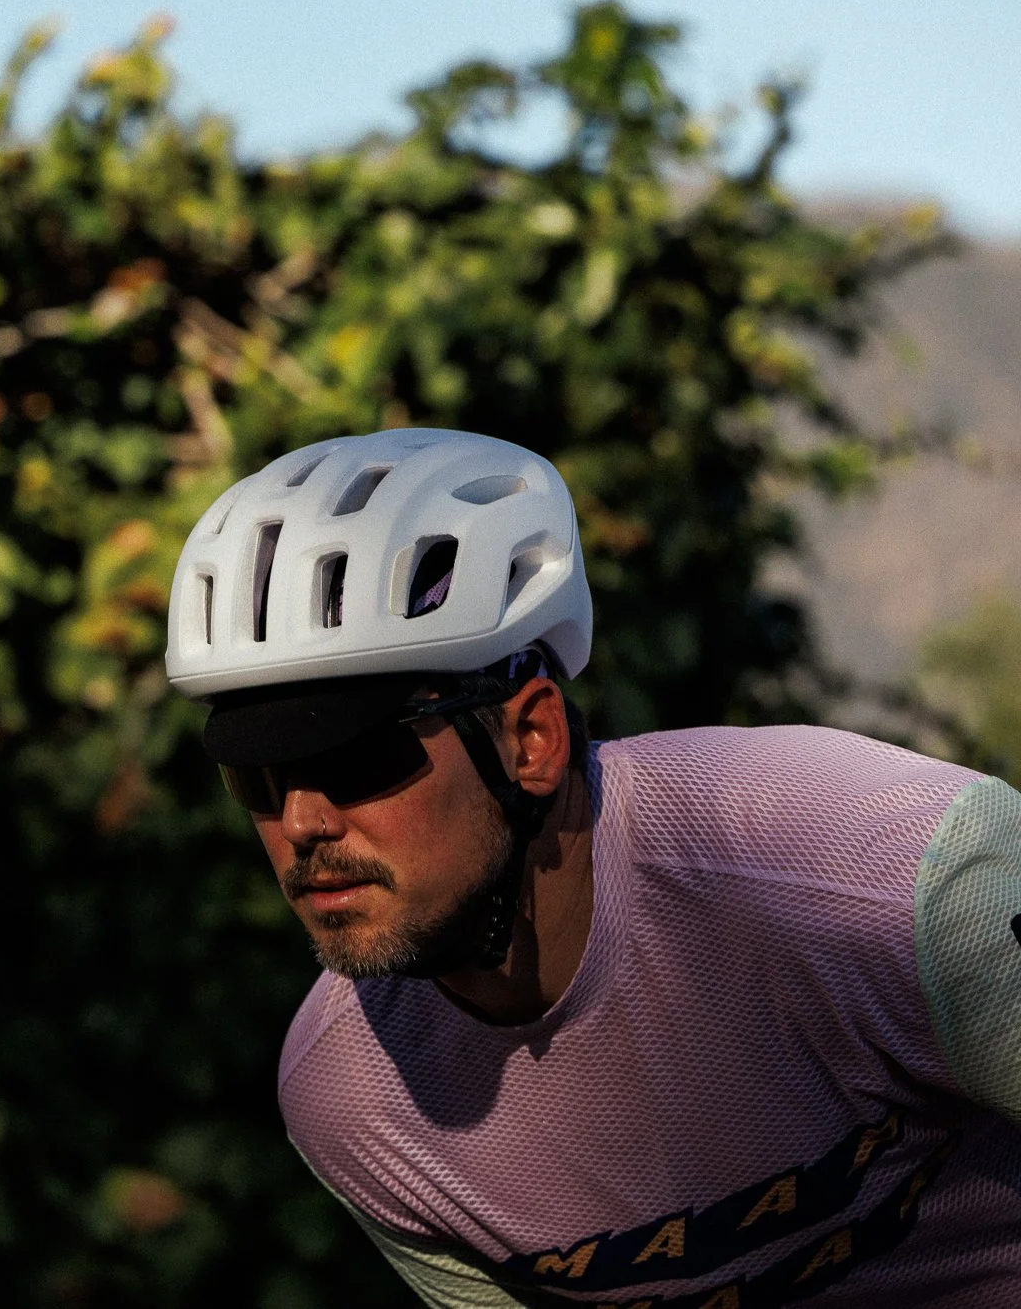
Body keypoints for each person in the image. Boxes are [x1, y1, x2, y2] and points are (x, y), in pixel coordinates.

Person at [163, 428, 1021, 1308]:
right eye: (254, 779)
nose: (300, 822)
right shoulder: (348, 1102)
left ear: (530, 739)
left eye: (357, 761)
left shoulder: (886, 870)